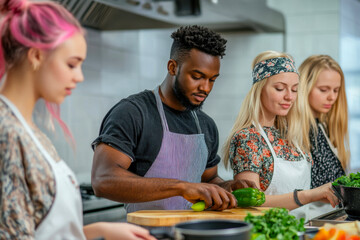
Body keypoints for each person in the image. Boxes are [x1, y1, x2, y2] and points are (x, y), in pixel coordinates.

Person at [0, 0, 155, 239]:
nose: (79, 76)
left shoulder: (29, 130)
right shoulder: (6, 132)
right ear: (37, 56)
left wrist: (97, 231)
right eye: (71, 64)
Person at [91, 25, 256, 213]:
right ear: (172, 67)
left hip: (195, 231)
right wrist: (181, 187)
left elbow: (208, 180)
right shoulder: (133, 113)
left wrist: (227, 187)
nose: (206, 88)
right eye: (197, 76)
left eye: (212, 80)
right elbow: (102, 180)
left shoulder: (206, 125)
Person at [222, 50, 339, 221]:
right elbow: (249, 203)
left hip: (300, 230)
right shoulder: (248, 138)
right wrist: (308, 195)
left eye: (294, 90)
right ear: (259, 89)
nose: (289, 97)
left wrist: (327, 195)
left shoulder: (293, 136)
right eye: (279, 88)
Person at [298, 55, 350, 219]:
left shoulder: (323, 126)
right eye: (323, 89)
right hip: (309, 219)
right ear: (304, 87)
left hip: (330, 217)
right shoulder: (296, 131)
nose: (332, 97)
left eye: (336, 90)